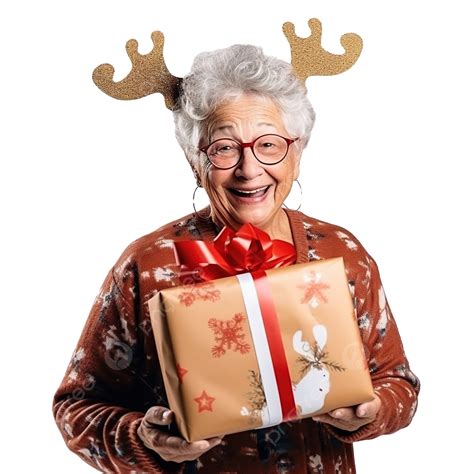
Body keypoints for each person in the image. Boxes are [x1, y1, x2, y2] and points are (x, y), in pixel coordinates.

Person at [53, 44, 420, 473]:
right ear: (195, 160)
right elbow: (76, 408)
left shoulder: (342, 253)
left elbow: (400, 384)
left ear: (297, 152)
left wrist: (371, 413)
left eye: (269, 144)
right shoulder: (148, 265)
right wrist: (145, 437)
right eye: (225, 148)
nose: (250, 168)